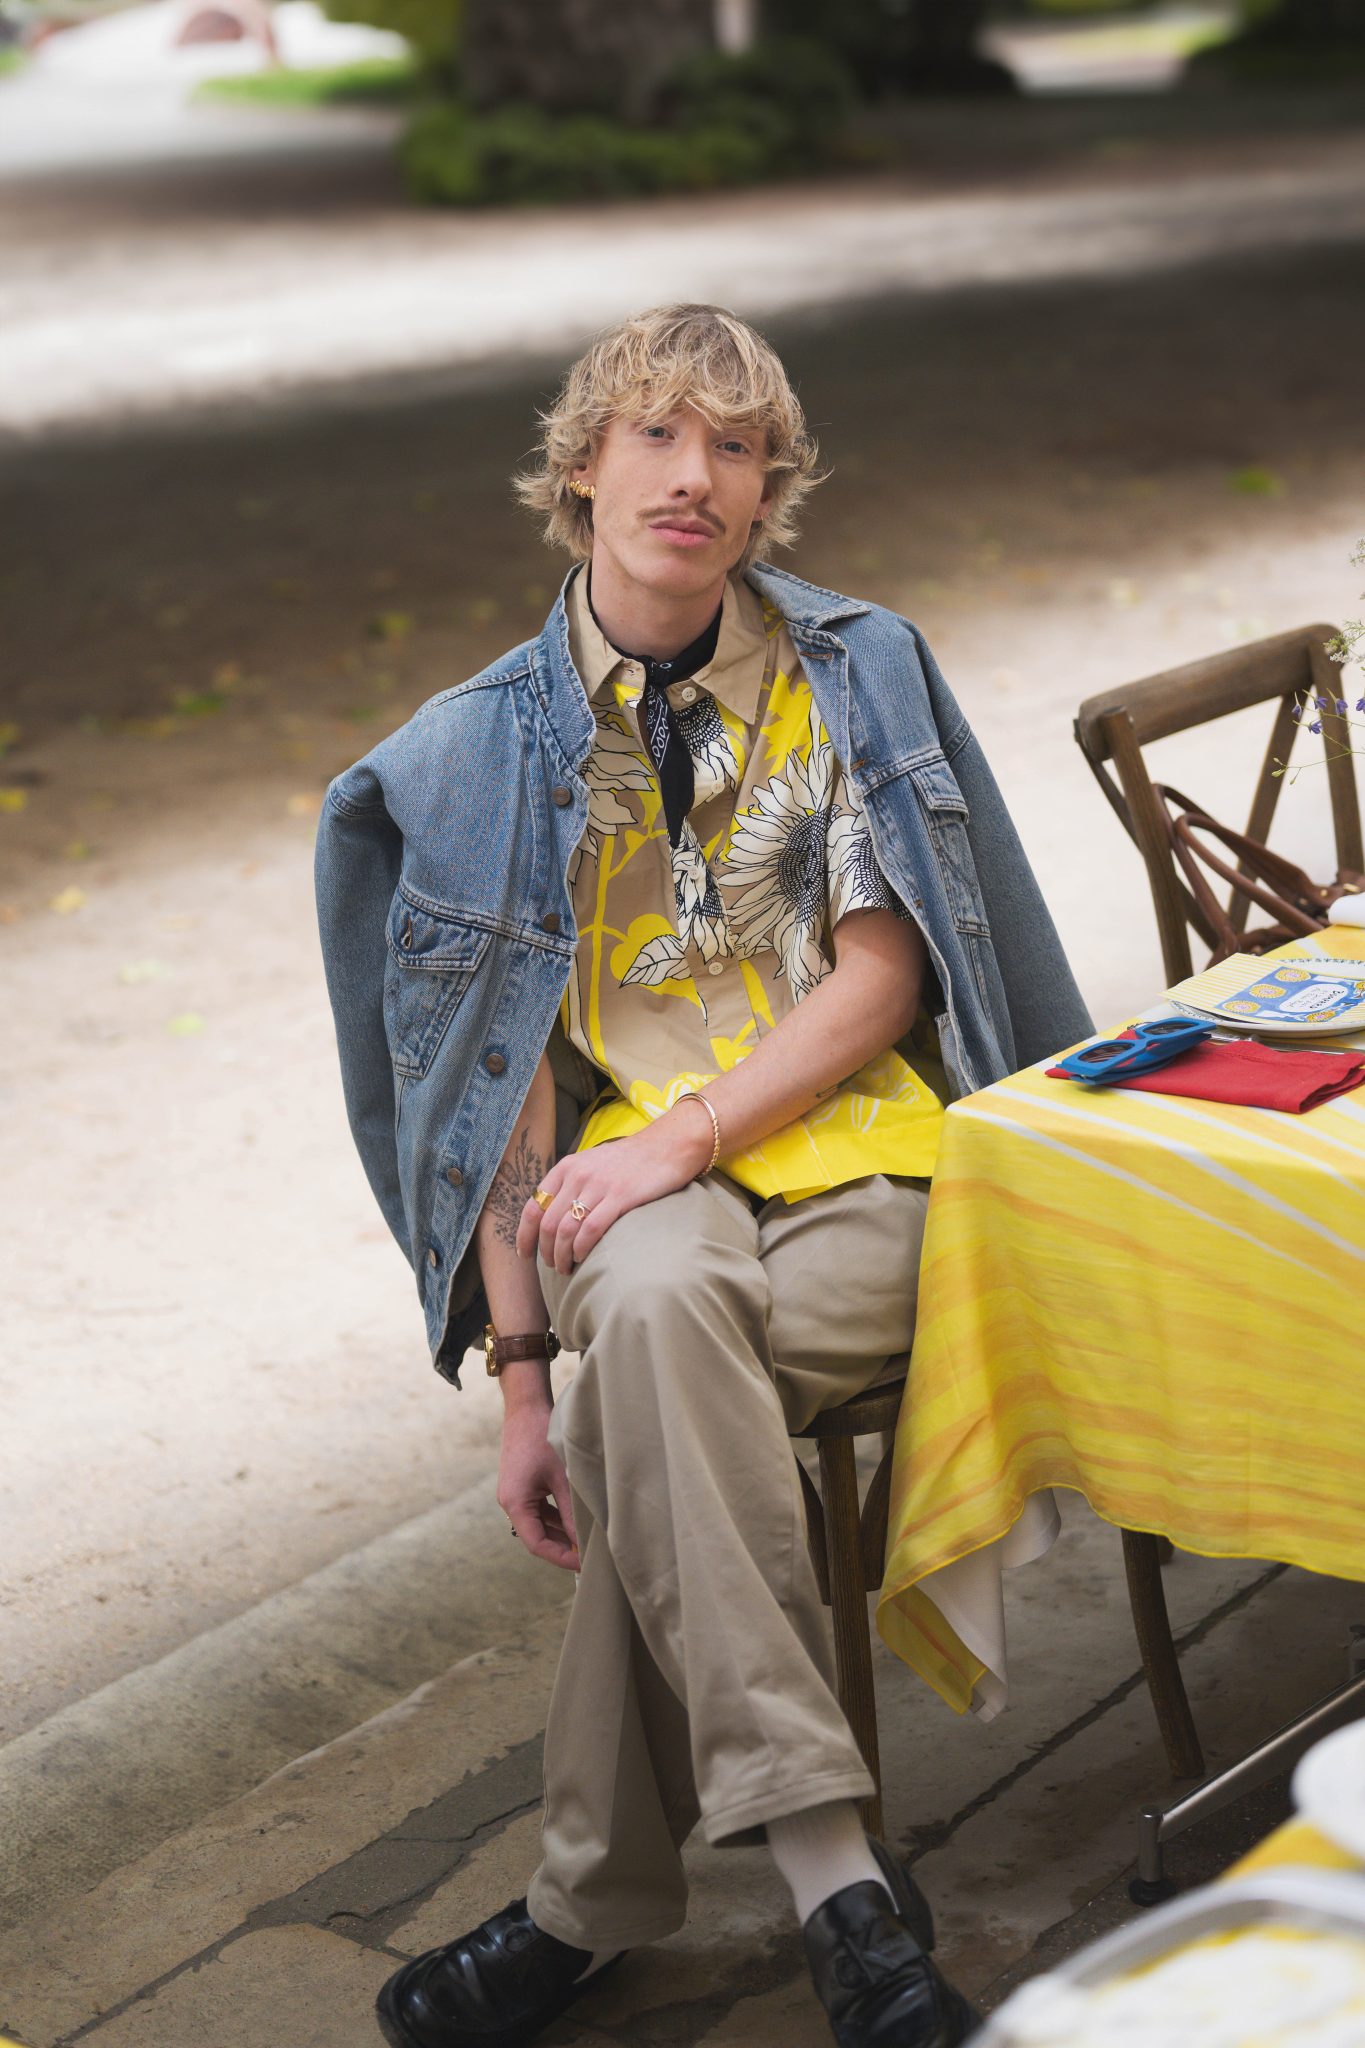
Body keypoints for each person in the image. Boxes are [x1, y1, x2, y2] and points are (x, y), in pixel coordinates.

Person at [315, 304, 1092, 2048]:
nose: (693, 477)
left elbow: (884, 979)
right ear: (580, 467)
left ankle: (583, 1906)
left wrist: (679, 1141)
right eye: (656, 437)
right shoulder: (465, 757)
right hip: (616, 1202)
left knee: (647, 1400)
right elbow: (493, 1096)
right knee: (650, 1314)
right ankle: (841, 1892)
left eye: (733, 449)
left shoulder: (850, 670)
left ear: (766, 493)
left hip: (868, 1162)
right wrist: (520, 1379)